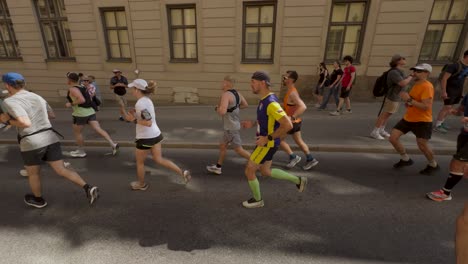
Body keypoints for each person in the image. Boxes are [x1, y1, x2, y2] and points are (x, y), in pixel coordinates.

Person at [0, 72, 99, 208]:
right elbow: (52, 115)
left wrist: (8, 121)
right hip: (50, 138)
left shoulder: (10, 101)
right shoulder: (37, 96)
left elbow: (25, 123)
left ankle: (38, 200)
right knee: (61, 169)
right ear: (24, 83)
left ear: (7, 85)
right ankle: (88, 187)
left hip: (31, 142)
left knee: (33, 173)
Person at [240, 71, 307, 209]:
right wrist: (253, 124)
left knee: (249, 170)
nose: (251, 85)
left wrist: (267, 138)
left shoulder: (270, 102)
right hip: (268, 142)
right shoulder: (265, 99)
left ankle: (258, 200)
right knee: (265, 171)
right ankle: (298, 180)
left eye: (253, 82)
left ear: (262, 83)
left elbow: (287, 125)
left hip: (267, 144)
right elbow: (267, 118)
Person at [124, 79, 191, 190]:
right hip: (156, 135)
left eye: (133, 89)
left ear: (137, 90)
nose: (131, 91)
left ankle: (141, 185)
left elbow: (148, 122)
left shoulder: (140, 103)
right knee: (159, 159)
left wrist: (133, 120)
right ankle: (182, 172)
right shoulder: (147, 100)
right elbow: (147, 116)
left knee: (140, 163)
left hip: (145, 138)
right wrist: (135, 114)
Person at [389, 63, 439, 175]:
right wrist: (408, 102)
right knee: (393, 138)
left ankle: (433, 164)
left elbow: (426, 107)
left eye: (419, 71)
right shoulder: (415, 84)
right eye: (415, 70)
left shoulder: (427, 86)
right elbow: (413, 102)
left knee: (422, 145)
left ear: (427, 73)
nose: (415, 73)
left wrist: (409, 100)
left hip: (422, 121)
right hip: (409, 118)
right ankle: (405, 159)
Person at [65, 72, 119, 158]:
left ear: (70, 80)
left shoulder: (73, 89)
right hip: (90, 111)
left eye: (67, 79)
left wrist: (70, 104)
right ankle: (113, 144)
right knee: (98, 128)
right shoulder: (82, 86)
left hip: (80, 114)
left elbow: (82, 100)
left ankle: (81, 151)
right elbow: (88, 97)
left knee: (78, 133)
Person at [426, 93, 468, 201]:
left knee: (457, 162)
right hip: (464, 134)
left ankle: (445, 193)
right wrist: (456, 112)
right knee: (460, 162)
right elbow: (461, 110)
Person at [206, 75, 250, 175]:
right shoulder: (237, 93)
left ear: (226, 83)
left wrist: (217, 109)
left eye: (223, 82)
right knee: (222, 146)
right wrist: (233, 109)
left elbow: (222, 111)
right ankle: (218, 167)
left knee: (239, 149)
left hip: (231, 127)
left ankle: (257, 163)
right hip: (230, 126)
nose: (221, 84)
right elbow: (245, 105)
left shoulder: (226, 95)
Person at [280, 70, 319, 170]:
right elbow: (290, 105)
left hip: (291, 122)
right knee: (299, 141)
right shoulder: (290, 91)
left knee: (277, 139)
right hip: (296, 122)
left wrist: (291, 117)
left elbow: (303, 106)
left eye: (285, 77)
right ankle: (310, 159)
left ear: (291, 80)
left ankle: (293, 157)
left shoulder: (292, 93)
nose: (283, 79)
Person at [370, 54, 414, 140]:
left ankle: (381, 130)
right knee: (385, 114)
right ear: (397, 61)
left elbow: (404, 82)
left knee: (388, 114)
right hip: (392, 96)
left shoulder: (400, 71)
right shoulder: (394, 72)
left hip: (397, 96)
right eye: (403, 58)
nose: (405, 60)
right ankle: (375, 132)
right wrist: (411, 76)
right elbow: (402, 83)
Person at [434, 50, 468, 133]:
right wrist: (444, 91)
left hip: (457, 91)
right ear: (467, 56)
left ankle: (441, 122)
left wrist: (461, 93)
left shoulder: (467, 67)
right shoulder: (454, 66)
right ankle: (437, 125)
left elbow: (464, 80)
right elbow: (444, 79)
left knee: (450, 107)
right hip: (449, 89)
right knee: (447, 107)